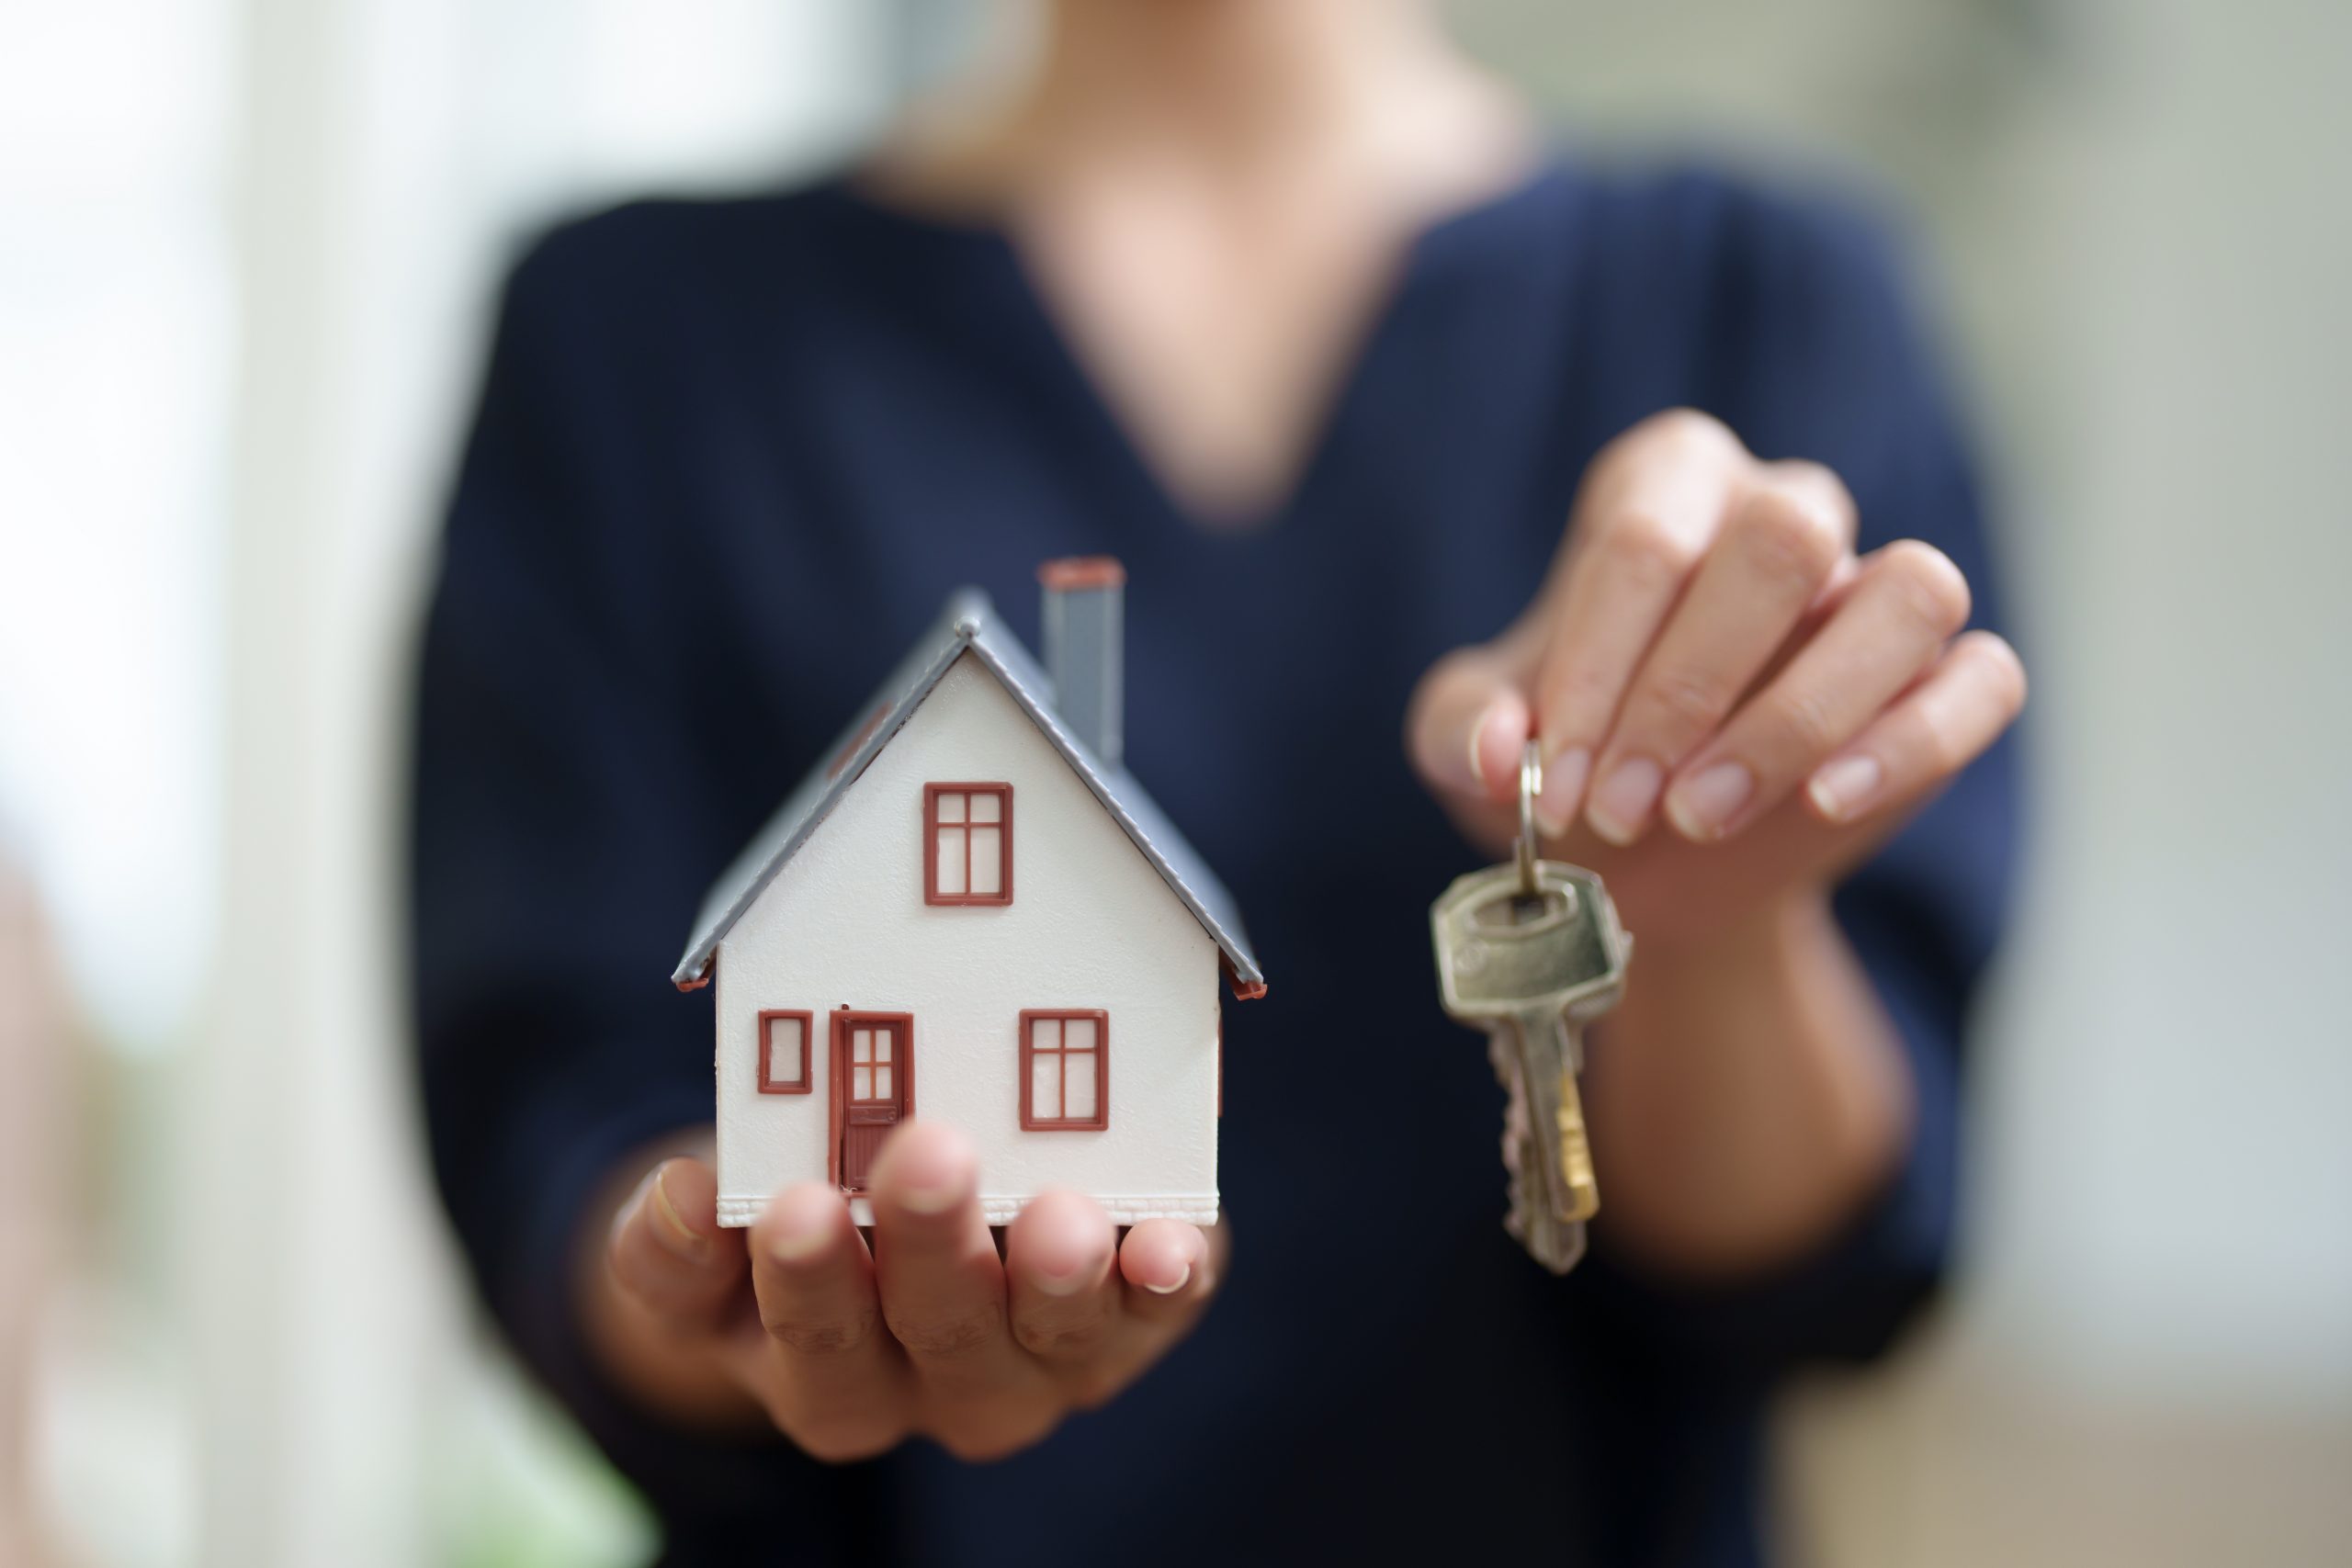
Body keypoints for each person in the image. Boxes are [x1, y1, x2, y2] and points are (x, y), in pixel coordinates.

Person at [409, 2, 2024, 1563]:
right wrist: (728, 1276)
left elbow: (1836, 1272)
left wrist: (1702, 917)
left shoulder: (1760, 303)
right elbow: (546, 1136)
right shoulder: (628, 334)